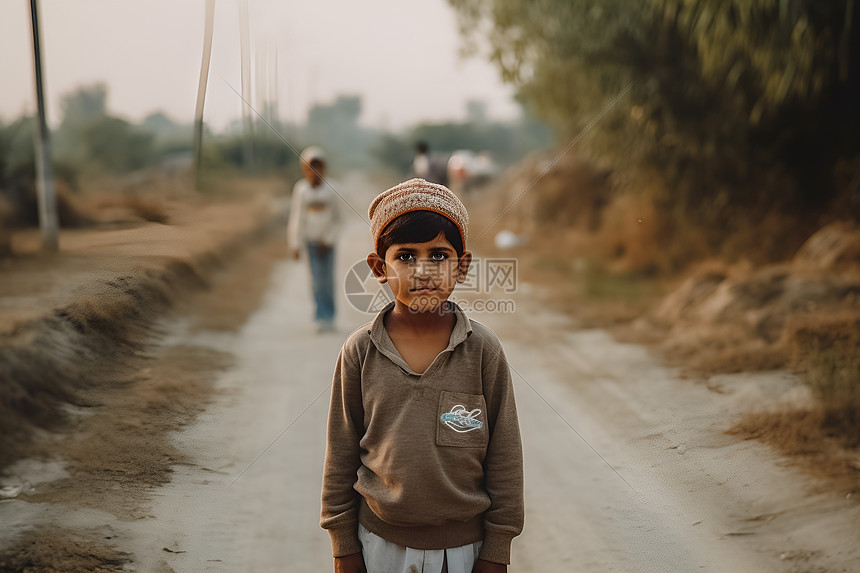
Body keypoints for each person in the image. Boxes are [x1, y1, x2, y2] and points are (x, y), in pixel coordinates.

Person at [320, 178, 524, 573]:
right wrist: (343, 545)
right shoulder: (360, 351)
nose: (425, 270)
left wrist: (497, 548)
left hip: (465, 548)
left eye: (439, 255)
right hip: (379, 544)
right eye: (407, 257)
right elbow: (340, 454)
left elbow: (505, 456)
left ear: (461, 266)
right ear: (380, 267)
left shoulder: (483, 351)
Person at [287, 146, 343, 332]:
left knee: (328, 280)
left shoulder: (332, 189)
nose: (315, 171)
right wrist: (295, 243)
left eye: (318, 167)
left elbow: (338, 219)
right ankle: (321, 316)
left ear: (324, 168)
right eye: (311, 167)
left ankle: (330, 316)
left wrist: (328, 240)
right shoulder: (301, 190)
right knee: (317, 281)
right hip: (311, 243)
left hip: (327, 244)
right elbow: (297, 218)